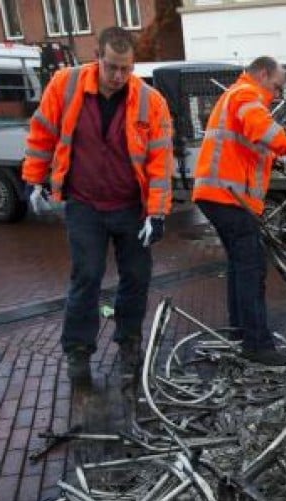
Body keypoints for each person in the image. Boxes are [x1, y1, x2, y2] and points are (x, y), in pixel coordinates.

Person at [23, 26, 174, 386]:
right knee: (86, 276)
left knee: (136, 278)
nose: (119, 76)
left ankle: (129, 344)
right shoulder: (65, 85)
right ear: (97, 58)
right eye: (112, 67)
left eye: (126, 68)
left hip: (130, 207)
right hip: (85, 204)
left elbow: (159, 160)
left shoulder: (150, 102)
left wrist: (157, 211)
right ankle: (78, 350)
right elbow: (42, 131)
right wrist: (34, 178)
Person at [192, 56, 286, 367]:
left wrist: (281, 159)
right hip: (228, 195)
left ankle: (240, 332)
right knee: (252, 267)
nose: (276, 94)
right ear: (261, 74)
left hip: (221, 194)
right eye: (275, 86)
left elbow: (252, 145)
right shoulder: (246, 94)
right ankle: (257, 344)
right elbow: (263, 129)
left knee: (240, 264)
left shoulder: (237, 96)